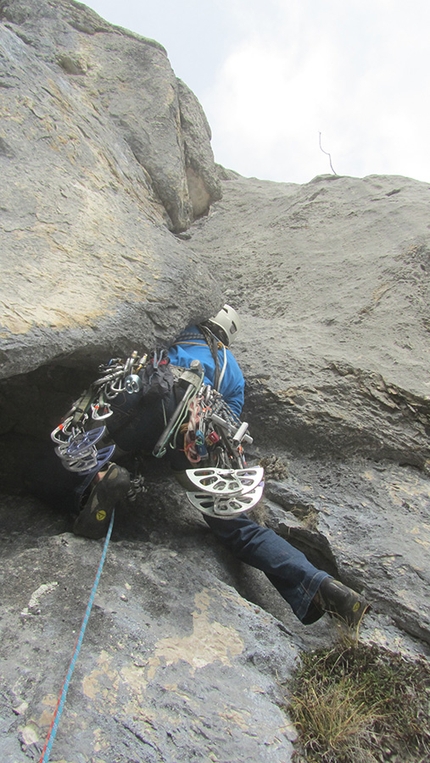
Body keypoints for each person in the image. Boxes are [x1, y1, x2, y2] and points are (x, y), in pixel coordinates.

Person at [47, 305, 370, 628]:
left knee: (81, 439)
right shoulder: (234, 373)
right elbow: (229, 423)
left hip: (149, 397)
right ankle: (316, 584)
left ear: (205, 321)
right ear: (227, 336)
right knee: (237, 527)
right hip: (198, 428)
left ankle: (99, 479)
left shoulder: (180, 333)